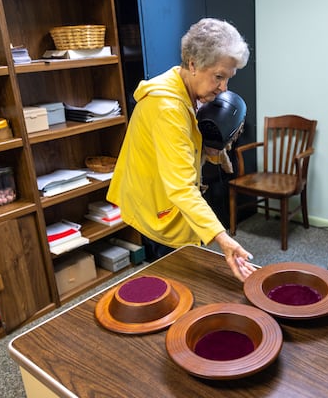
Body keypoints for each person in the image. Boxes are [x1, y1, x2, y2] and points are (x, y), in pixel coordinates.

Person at [106, 18, 256, 281]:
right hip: (156, 206)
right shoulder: (168, 108)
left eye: (228, 79)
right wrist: (223, 239)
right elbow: (181, 188)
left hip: (170, 197)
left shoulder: (187, 87)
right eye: (218, 77)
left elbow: (188, 148)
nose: (224, 88)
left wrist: (214, 146)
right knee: (174, 287)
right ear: (193, 64)